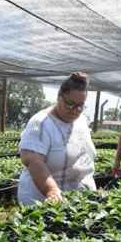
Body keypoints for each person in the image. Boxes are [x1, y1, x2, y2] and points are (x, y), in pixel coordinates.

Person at [18, 72, 96, 205]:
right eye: (70, 104)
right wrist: (52, 190)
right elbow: (33, 161)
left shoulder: (81, 120)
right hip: (45, 203)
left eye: (80, 106)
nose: (74, 110)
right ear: (59, 95)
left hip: (78, 203)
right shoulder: (41, 123)